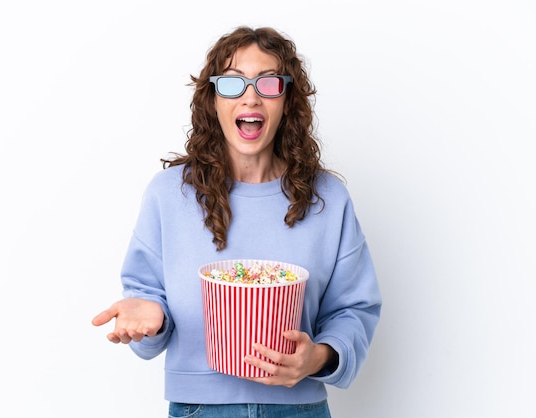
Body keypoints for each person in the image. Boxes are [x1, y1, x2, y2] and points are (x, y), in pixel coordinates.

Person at [92, 26, 382, 417]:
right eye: (232, 84)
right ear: (212, 101)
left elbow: (354, 309)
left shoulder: (328, 198)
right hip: (199, 408)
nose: (251, 97)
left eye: (268, 84)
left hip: (299, 408)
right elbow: (147, 305)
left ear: (287, 99)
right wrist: (151, 319)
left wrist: (317, 358)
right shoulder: (168, 194)